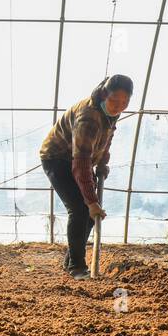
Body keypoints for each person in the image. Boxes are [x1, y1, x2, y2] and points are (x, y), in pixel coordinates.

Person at [40, 74, 132, 279]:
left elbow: (105, 140)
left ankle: (71, 260)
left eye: (125, 102)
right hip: (58, 157)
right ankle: (77, 267)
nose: (119, 106)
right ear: (104, 94)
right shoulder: (89, 117)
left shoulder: (110, 114)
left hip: (81, 159)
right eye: (115, 100)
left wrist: (102, 163)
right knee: (80, 209)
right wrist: (91, 202)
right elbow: (80, 162)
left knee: (91, 215)